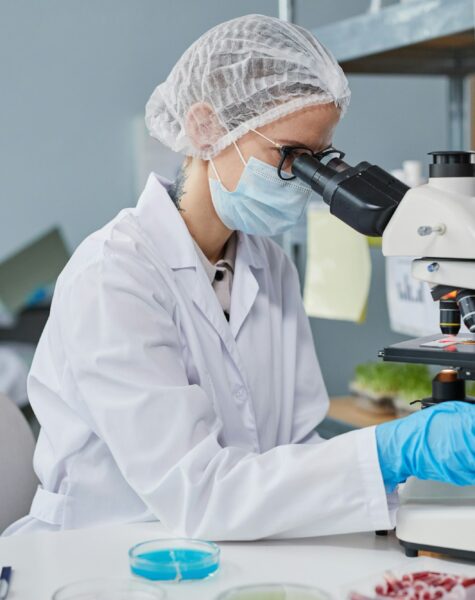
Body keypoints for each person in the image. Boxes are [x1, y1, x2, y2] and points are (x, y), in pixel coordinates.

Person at [4, 14, 474, 539]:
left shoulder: (268, 264)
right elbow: (200, 493)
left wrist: (407, 494)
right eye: (291, 156)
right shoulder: (113, 277)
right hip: (103, 554)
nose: (303, 181)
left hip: (233, 548)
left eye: (320, 158)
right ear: (207, 127)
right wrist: (393, 450)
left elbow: (294, 445)